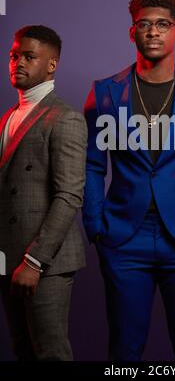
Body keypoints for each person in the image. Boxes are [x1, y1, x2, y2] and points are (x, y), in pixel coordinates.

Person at [83, 0, 175, 361]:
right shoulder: (104, 93)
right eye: (144, 25)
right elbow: (93, 164)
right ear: (132, 32)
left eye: (163, 24)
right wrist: (95, 224)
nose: (153, 32)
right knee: (124, 350)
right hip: (125, 237)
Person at [0, 25, 87, 360]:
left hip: (44, 261)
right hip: (8, 255)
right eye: (14, 55)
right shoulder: (9, 116)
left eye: (29, 56)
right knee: (22, 350)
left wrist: (34, 261)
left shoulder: (64, 118)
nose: (18, 62)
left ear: (51, 65)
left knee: (50, 352)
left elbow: (68, 196)